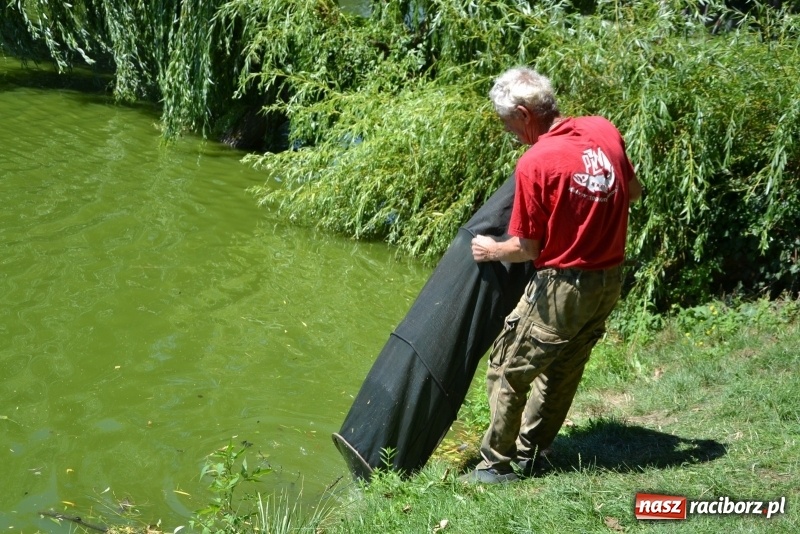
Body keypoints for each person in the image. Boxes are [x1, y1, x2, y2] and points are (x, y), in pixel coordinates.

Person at [462, 67, 643, 484]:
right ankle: (534, 453)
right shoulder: (603, 130)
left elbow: (527, 249)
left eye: (508, 123)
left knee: (509, 368)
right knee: (563, 368)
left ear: (524, 114)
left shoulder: (536, 161)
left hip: (564, 285)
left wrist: (490, 249)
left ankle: (496, 464)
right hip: (609, 279)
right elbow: (632, 193)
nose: (509, 132)